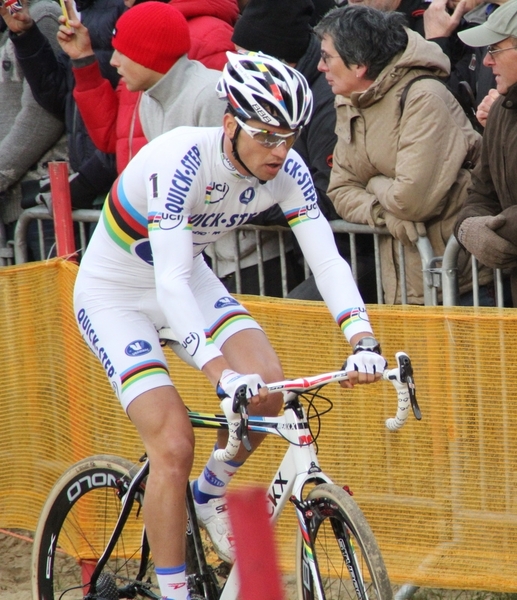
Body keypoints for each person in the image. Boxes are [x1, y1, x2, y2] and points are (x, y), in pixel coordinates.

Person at [73, 51, 387, 599]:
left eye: (289, 137)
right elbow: (168, 280)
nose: (280, 151)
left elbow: (327, 259)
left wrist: (362, 338)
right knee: (171, 444)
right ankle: (176, 592)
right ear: (229, 124)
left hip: (188, 279)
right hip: (116, 294)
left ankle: (209, 493)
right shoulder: (181, 160)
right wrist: (219, 373)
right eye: (266, 135)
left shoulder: (286, 171)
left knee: (266, 391)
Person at [207, 0, 377, 300]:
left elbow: (329, 195)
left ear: (274, 59)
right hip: (310, 254)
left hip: (352, 256)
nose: (237, 66)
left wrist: (245, 203)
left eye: (245, 57)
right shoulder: (279, 97)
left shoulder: (325, 102)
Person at [318, 5, 487, 304]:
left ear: (359, 65)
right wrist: (386, 215)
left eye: (327, 57)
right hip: (403, 286)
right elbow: (340, 190)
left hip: (464, 286)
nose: (320, 67)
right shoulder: (350, 101)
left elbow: (411, 202)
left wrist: (373, 184)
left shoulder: (423, 97)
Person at [57, 1, 225, 174]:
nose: (113, 61)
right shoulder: (149, 91)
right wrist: (84, 60)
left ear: (149, 52)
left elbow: (224, 176)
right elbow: (113, 136)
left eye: (122, 52)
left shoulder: (208, 86)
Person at [5, 0, 125, 211]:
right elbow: (61, 98)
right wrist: (27, 36)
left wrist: (82, 186)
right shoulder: (79, 9)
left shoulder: (122, 8)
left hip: (111, 187)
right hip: (84, 189)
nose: (116, 61)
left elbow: (135, 117)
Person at [454, 0, 517, 306]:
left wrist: (495, 227)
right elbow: (480, 192)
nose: (487, 62)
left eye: (495, 49)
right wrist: (468, 229)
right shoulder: (502, 112)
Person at [0, 0, 67, 260]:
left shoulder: (43, 14)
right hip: (16, 206)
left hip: (42, 204)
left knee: (53, 301)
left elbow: (43, 116)